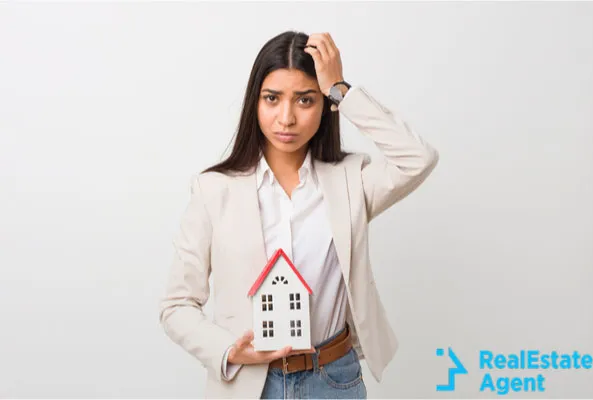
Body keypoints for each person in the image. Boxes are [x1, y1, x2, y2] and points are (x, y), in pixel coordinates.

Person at [159, 30, 439, 399]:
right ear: (254, 103)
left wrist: (340, 88)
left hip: (333, 380)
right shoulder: (214, 190)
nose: (286, 118)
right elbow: (177, 305)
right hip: (247, 383)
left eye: (305, 100)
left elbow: (418, 158)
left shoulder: (350, 182)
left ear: (324, 105)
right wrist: (228, 350)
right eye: (272, 99)